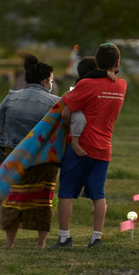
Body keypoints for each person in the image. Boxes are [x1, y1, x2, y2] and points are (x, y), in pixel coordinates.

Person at [52, 43, 126, 249]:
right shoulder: (122, 86)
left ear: (97, 61)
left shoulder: (86, 85)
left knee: (66, 191)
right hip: (104, 147)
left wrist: (70, 130)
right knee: (98, 194)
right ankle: (96, 238)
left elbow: (66, 111)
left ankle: (65, 238)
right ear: (117, 63)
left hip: (81, 146)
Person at [0, 54, 60, 248]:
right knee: (43, 198)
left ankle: (10, 243)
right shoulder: (54, 102)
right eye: (51, 80)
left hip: (13, 154)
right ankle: (41, 243)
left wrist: (0, 157)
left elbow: (0, 128)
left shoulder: (10, 97)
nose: (51, 83)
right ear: (44, 81)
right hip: (42, 158)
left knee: (14, 197)